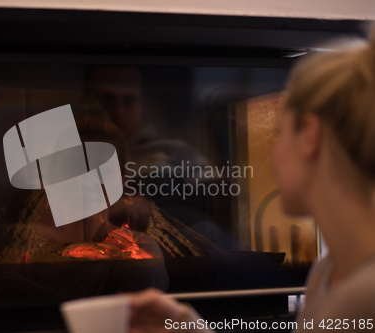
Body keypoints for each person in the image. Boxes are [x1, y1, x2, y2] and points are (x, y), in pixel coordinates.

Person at [128, 27, 375, 332]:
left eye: (278, 133)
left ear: (310, 136)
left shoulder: (361, 299)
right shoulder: (327, 271)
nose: (271, 158)